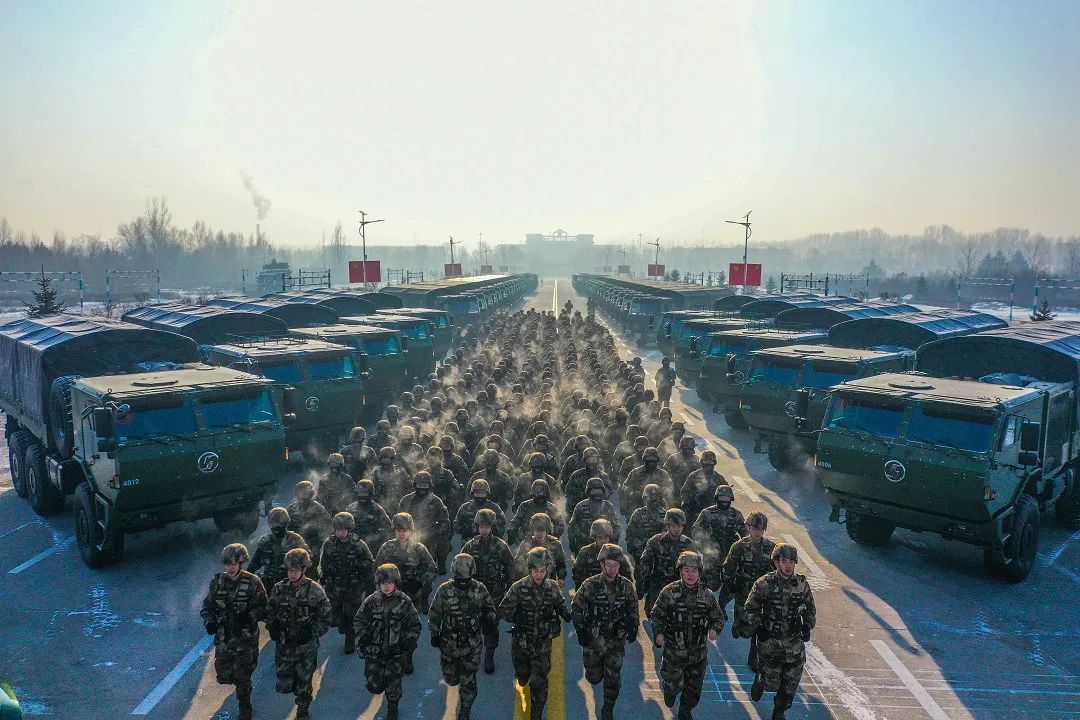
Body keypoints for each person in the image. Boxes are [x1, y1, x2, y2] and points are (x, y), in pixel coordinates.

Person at [743, 543, 817, 720]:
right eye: (784, 561)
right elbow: (750, 608)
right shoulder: (763, 583)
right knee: (771, 683)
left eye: (791, 561)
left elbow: (810, 608)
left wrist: (807, 625)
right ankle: (760, 681)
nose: (788, 565)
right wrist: (758, 626)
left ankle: (779, 711)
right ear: (776, 562)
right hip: (770, 641)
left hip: (794, 642)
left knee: (791, 682)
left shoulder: (801, 584)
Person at [498, 547, 572, 720]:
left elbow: (560, 604)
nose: (539, 575)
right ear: (530, 569)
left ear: (547, 570)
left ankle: (536, 714)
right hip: (522, 642)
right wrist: (516, 617)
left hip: (543, 642)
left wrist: (567, 614)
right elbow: (503, 609)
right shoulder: (519, 587)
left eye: (542, 571)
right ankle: (522, 677)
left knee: (540, 682)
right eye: (536, 571)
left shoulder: (552, 586)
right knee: (522, 674)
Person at [650, 551, 726, 720]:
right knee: (673, 686)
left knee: (693, 692)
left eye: (694, 570)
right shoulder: (669, 592)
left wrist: (715, 630)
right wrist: (658, 632)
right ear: (680, 571)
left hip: (698, 654)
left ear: (699, 572)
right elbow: (656, 614)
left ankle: (685, 712)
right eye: (686, 570)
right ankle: (669, 690)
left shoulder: (707, 595)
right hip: (674, 653)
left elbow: (718, 618)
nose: (690, 574)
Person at [571, 544, 640, 720]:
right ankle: (597, 675)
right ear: (602, 564)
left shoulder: (626, 586)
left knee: (613, 678)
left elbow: (633, 608)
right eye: (609, 565)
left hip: (616, 640)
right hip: (593, 639)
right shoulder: (590, 584)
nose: (612, 569)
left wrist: (634, 626)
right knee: (593, 677)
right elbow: (576, 607)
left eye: (616, 565)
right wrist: (580, 630)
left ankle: (608, 708)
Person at [200, 543, 267, 720]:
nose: (230, 568)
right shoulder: (218, 582)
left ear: (241, 563)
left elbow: (263, 607)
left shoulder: (253, 582)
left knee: (242, 676)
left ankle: (245, 706)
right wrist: (209, 621)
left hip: (245, 639)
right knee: (224, 675)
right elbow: (207, 606)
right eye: (227, 564)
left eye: (234, 564)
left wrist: (250, 617)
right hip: (224, 638)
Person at [429, 554, 499, 720]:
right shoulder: (444, 590)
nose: (463, 582)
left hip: (471, 646)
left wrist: (490, 623)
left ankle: (465, 711)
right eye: (459, 579)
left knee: (468, 681)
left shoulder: (480, 589)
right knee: (451, 678)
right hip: (448, 644)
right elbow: (435, 613)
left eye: (466, 579)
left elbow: (490, 609)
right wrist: (434, 633)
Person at [265, 548, 332, 720]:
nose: (292, 574)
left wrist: (312, 633)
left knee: (304, 681)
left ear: (303, 569)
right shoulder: (279, 589)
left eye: (295, 570)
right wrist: (272, 627)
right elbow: (270, 610)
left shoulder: (315, 590)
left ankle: (303, 709)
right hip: (284, 645)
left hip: (306, 647)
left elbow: (325, 617)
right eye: (290, 570)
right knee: (284, 683)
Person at [355, 563, 422, 720]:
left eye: (389, 583)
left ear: (395, 583)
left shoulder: (404, 601)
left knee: (393, 684)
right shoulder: (371, 600)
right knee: (374, 686)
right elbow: (359, 620)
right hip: (374, 652)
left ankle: (393, 706)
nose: (386, 586)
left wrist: (407, 641)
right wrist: (362, 636)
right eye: (383, 583)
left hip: (395, 653)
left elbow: (415, 624)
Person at [461, 508, 516, 674]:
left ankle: (489, 655)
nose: (484, 529)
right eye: (481, 526)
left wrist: (510, 587)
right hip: (474, 593)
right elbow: (461, 566)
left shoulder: (501, 546)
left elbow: (510, 567)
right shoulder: (470, 546)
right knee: (472, 624)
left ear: (492, 527)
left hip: (494, 593)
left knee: (491, 625)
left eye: (487, 526)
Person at [318, 512, 375, 654]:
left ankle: (350, 638)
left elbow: (370, 562)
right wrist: (326, 572)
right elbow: (324, 562)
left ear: (350, 529)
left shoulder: (359, 544)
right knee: (335, 617)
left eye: (344, 529)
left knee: (352, 615)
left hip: (353, 587)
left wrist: (358, 566)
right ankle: (342, 622)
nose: (341, 533)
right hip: (334, 587)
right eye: (338, 530)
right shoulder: (329, 543)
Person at [721, 511, 777, 639]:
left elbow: (777, 569)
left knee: (761, 626)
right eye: (755, 529)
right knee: (743, 631)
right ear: (748, 527)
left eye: (761, 530)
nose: (757, 532)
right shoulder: (738, 547)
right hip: (742, 592)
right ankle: (737, 626)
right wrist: (729, 586)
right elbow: (728, 569)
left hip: (763, 593)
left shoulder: (771, 548)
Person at [374, 512, 439, 618]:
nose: (401, 534)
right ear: (395, 531)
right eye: (398, 531)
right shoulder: (386, 547)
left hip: (413, 590)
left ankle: (423, 602)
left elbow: (432, 568)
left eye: (404, 530)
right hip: (390, 590)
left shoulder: (419, 548)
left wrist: (421, 579)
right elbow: (376, 568)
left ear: (410, 531)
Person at [637, 508, 696, 614]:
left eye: (680, 526)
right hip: (658, 584)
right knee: (654, 612)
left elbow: (696, 566)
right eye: (674, 526)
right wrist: (642, 585)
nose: (677, 529)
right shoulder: (655, 541)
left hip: (680, 585)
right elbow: (645, 563)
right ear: (667, 526)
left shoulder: (688, 543)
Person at [692, 484, 746, 591]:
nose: (724, 501)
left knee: (730, 587)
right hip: (712, 555)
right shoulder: (707, 513)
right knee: (709, 586)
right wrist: (704, 548)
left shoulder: (736, 514)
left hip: (731, 556)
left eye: (727, 498)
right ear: (716, 498)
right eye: (722, 498)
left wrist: (741, 550)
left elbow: (745, 534)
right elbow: (696, 531)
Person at [398, 470, 452, 573]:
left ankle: (441, 564)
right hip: (410, 533)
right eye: (419, 485)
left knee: (443, 542)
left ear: (429, 486)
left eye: (425, 485)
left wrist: (436, 532)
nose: (422, 488)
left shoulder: (436, 501)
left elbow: (445, 521)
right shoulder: (406, 500)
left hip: (430, 535)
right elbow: (399, 519)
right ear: (415, 485)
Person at [249, 507, 310, 590]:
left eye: (279, 526)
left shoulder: (295, 540)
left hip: (292, 583)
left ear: (285, 524)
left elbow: (308, 562)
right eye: (274, 525)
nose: (276, 529)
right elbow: (254, 563)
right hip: (269, 584)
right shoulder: (266, 541)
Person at [571, 519, 634, 588]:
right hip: (590, 589)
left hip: (612, 589)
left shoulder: (616, 551)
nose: (603, 541)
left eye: (606, 537)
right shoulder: (585, 552)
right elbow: (577, 573)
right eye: (599, 538)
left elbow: (626, 574)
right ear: (594, 538)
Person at [566, 478, 621, 554]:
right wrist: (572, 541)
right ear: (588, 491)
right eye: (594, 491)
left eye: (599, 490)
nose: (597, 493)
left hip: (605, 546)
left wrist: (613, 542)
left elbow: (616, 526)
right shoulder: (581, 506)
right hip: (584, 545)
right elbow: (572, 526)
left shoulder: (608, 507)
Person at [513, 512, 568, 583]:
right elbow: (518, 563)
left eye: (542, 530)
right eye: (537, 530)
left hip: (549, 582)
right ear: (533, 530)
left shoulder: (555, 544)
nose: (539, 534)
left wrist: (561, 578)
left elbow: (561, 563)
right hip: (529, 583)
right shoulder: (526, 544)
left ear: (547, 530)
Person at [507, 479, 564, 545]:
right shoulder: (525, 506)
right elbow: (516, 520)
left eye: (542, 497)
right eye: (537, 496)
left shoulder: (551, 508)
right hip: (526, 540)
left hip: (545, 540)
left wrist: (554, 536)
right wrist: (511, 532)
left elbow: (560, 524)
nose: (540, 499)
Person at [453, 478, 508, 544]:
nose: (479, 496)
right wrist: (465, 530)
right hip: (470, 542)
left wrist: (491, 530)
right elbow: (456, 523)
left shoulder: (494, 508)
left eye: (482, 493)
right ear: (472, 493)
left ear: (486, 494)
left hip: (490, 543)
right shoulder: (465, 507)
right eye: (477, 493)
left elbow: (502, 524)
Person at [680, 450, 725, 527]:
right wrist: (691, 502)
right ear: (701, 463)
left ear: (714, 463)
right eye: (706, 462)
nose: (708, 465)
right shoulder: (693, 476)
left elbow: (726, 494)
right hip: (695, 509)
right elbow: (684, 492)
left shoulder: (719, 478)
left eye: (710, 462)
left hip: (714, 510)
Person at [346, 478, 393, 553]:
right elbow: (344, 526)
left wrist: (374, 537)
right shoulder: (351, 508)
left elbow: (388, 528)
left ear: (371, 494)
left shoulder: (377, 509)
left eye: (365, 494)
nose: (363, 497)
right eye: (360, 494)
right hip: (354, 545)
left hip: (372, 546)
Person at [626, 484, 667, 566]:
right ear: (645, 499)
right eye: (650, 498)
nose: (653, 500)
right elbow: (630, 534)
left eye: (656, 498)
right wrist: (639, 548)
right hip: (641, 553)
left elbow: (669, 535)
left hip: (659, 555)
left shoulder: (664, 514)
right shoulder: (638, 513)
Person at [287, 480, 332, 550]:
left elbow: (328, 525)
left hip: (314, 543)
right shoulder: (291, 509)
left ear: (311, 496)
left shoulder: (318, 508)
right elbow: (286, 526)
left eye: (306, 497)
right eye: (300, 495)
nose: (303, 500)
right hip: (295, 543)